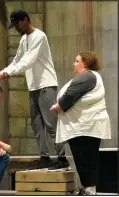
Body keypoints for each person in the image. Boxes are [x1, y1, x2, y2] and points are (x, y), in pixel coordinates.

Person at [0, 8, 70, 171]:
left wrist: (5, 74)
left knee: (50, 123)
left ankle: (62, 158)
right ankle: (45, 157)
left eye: (17, 23)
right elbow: (17, 60)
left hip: (46, 84)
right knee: (36, 124)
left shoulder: (40, 36)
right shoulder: (24, 40)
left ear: (25, 20)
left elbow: (28, 61)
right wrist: (0, 73)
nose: (16, 27)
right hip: (34, 86)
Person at [50, 51, 111, 195]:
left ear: (86, 63)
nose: (74, 63)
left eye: (77, 61)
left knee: (86, 158)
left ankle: (90, 188)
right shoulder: (89, 77)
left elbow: (71, 94)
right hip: (83, 126)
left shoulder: (88, 76)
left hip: (86, 126)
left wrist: (59, 106)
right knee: (83, 158)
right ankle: (87, 186)